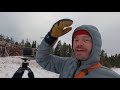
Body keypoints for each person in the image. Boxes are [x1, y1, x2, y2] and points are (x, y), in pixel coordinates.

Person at [36, 18, 120, 78]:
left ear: (95, 45)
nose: (79, 43)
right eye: (76, 40)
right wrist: (51, 37)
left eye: (85, 40)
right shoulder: (66, 64)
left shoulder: (108, 76)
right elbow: (42, 59)